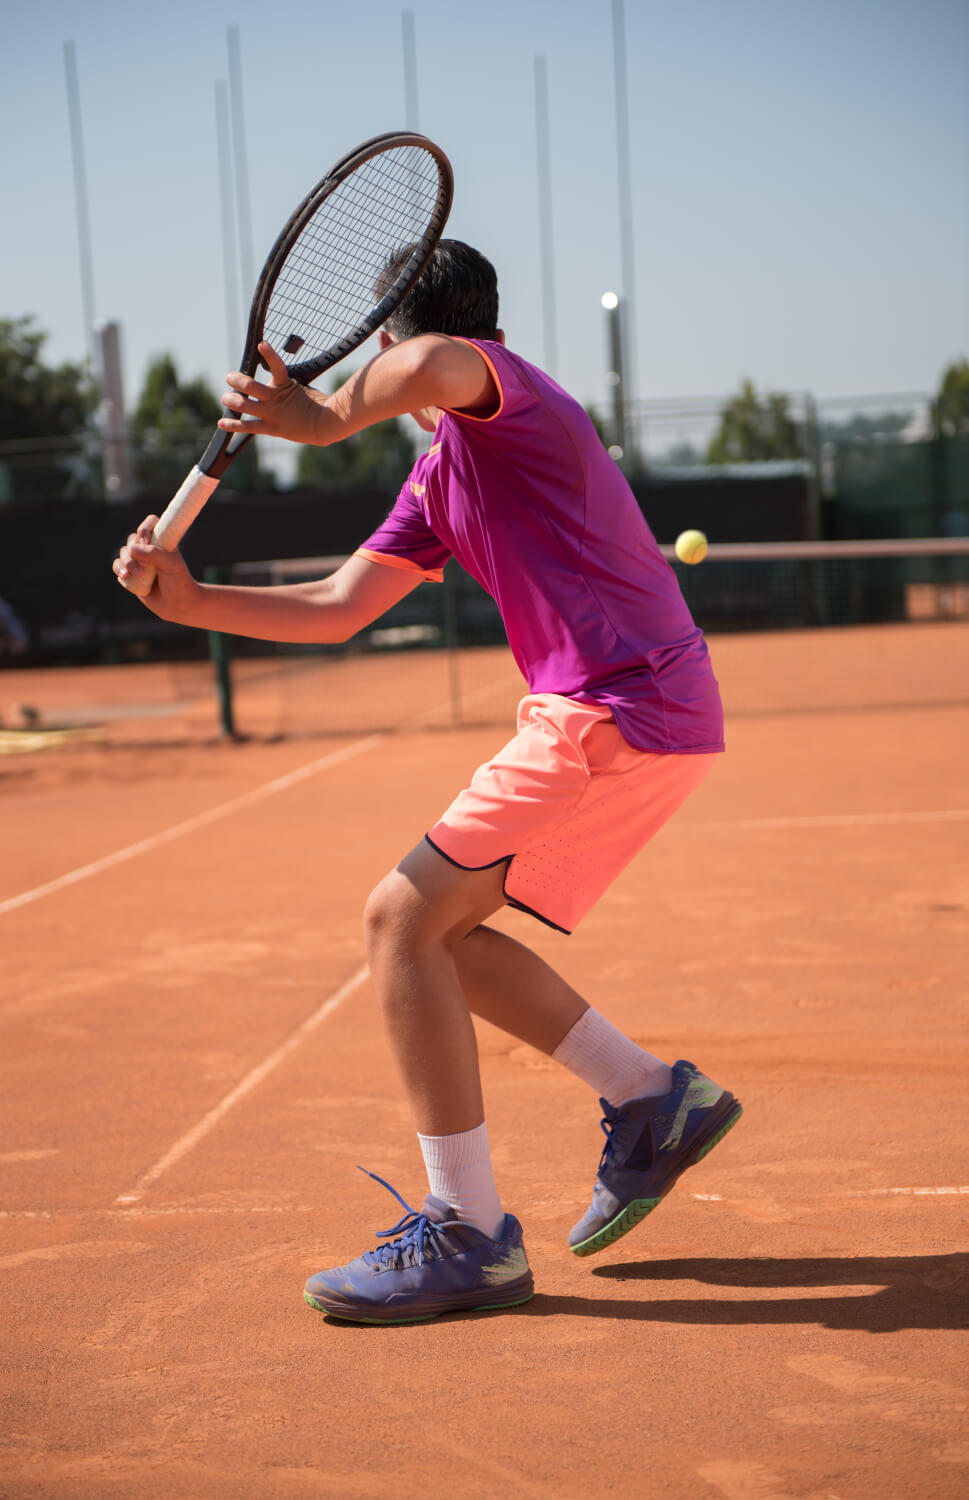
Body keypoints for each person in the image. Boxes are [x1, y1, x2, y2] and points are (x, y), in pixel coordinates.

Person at [114, 240, 741, 1325]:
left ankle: (467, 1233)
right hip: (623, 711)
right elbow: (339, 605)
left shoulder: (507, 393)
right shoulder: (442, 468)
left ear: (395, 338)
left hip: (613, 707)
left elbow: (444, 364)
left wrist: (315, 419)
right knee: (439, 935)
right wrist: (191, 600)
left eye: (389, 347)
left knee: (397, 921)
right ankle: (648, 1098)